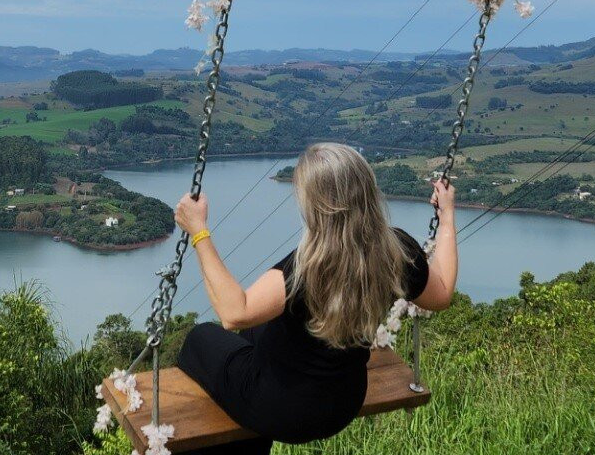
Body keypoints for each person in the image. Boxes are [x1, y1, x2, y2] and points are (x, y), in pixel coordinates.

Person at [173, 142, 458, 455]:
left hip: (282, 409)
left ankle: (248, 435)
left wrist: (199, 230)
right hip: (342, 405)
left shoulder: (307, 268)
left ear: (315, 204)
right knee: (256, 332)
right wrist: (446, 218)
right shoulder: (397, 250)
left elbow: (233, 312)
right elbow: (441, 293)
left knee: (201, 338)